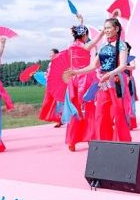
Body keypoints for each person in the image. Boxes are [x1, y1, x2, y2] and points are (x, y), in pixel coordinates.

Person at [67, 17, 131, 142]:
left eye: (108, 28)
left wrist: (110, 74)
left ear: (116, 29)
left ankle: (122, 142)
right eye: (105, 28)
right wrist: (76, 72)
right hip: (103, 84)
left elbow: (123, 65)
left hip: (116, 82)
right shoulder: (103, 46)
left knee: (118, 114)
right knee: (100, 114)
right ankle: (103, 142)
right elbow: (93, 66)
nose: (106, 30)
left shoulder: (122, 45)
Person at [63, 21, 103, 152]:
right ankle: (91, 138)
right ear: (84, 35)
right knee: (89, 109)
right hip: (85, 78)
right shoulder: (85, 46)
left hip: (73, 80)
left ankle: (72, 141)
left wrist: (80, 22)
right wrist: (103, 31)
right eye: (87, 34)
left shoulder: (70, 46)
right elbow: (96, 40)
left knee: (76, 111)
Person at [39, 48, 63, 126]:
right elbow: (48, 73)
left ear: (56, 54)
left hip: (57, 86)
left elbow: (60, 74)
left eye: (51, 53)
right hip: (50, 85)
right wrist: (45, 75)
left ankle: (59, 119)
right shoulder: (50, 63)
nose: (49, 55)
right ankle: (55, 118)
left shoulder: (59, 63)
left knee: (57, 102)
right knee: (48, 101)